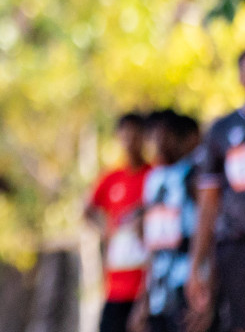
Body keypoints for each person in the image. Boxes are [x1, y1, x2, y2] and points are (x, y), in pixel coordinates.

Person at [188, 47, 245, 331]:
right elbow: (208, 202)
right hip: (238, 249)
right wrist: (197, 265)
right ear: (239, 77)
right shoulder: (222, 131)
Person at [130, 110, 203, 332]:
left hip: (187, 284)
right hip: (159, 291)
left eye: (166, 135)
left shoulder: (195, 175)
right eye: (154, 137)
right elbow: (153, 243)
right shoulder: (154, 178)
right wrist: (143, 299)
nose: (159, 143)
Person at [88, 112, 152, 332]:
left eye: (136, 136)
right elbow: (87, 211)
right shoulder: (111, 178)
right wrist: (105, 230)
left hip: (147, 282)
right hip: (116, 282)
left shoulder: (154, 176)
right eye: (126, 136)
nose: (130, 142)